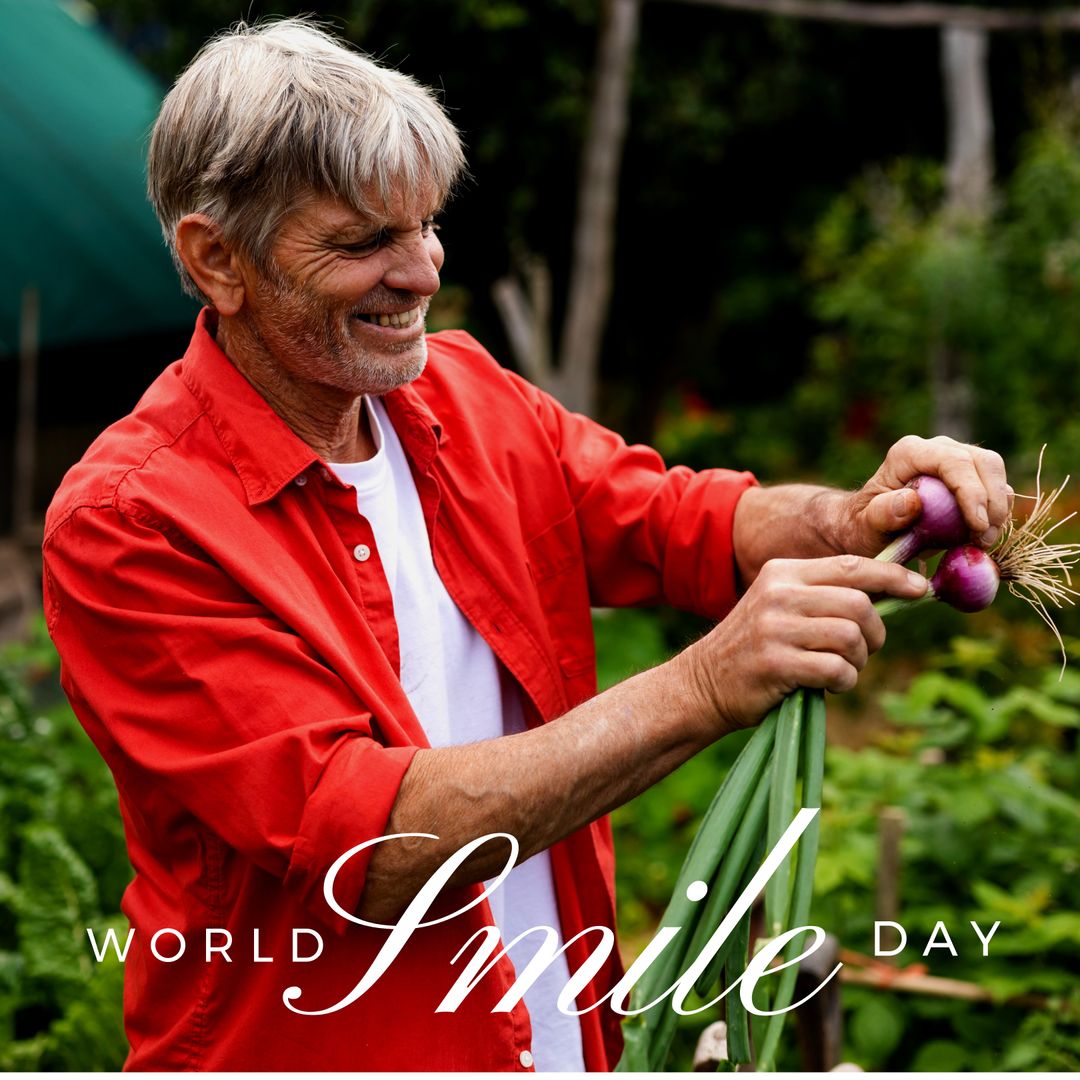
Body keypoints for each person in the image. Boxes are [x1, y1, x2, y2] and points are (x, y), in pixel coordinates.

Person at [42, 18, 1011, 1073]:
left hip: (552, 1035)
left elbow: (677, 520)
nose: (422, 272)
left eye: (426, 225)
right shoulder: (134, 523)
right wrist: (704, 686)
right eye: (362, 244)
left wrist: (850, 517)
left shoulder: (461, 396)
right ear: (216, 259)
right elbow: (370, 844)